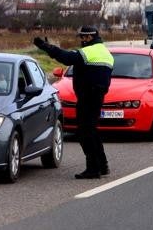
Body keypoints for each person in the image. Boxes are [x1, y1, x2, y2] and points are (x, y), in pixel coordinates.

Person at [33, 26, 114, 179]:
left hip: (87, 96)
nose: (81, 41)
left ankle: (93, 169)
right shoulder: (105, 52)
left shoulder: (89, 52)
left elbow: (66, 58)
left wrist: (47, 47)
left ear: (89, 37)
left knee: (84, 133)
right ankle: (102, 165)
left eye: (82, 38)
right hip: (97, 96)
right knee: (92, 130)